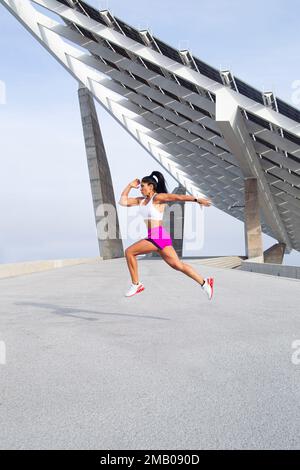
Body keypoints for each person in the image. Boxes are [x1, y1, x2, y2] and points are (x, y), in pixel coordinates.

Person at [118, 170, 214, 300]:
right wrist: (130, 185)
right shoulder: (141, 201)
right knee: (177, 265)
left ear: (151, 187)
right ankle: (204, 282)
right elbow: (122, 201)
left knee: (129, 252)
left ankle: (136, 284)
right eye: (140, 186)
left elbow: (178, 197)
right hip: (157, 237)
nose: (140, 189)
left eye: (143, 186)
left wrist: (197, 200)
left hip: (158, 235)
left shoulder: (157, 198)